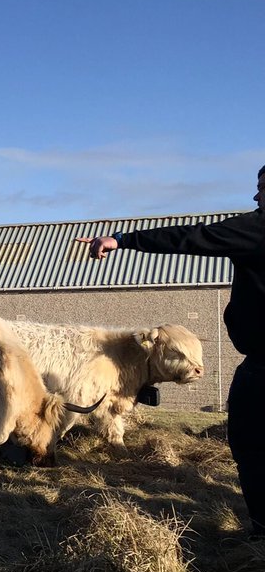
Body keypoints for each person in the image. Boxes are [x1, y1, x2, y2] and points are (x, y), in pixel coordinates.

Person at [76, 164, 265, 538]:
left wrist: (121, 240)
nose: (257, 196)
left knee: (252, 445)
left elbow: (191, 237)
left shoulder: (257, 229)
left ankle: (262, 529)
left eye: (263, 188)